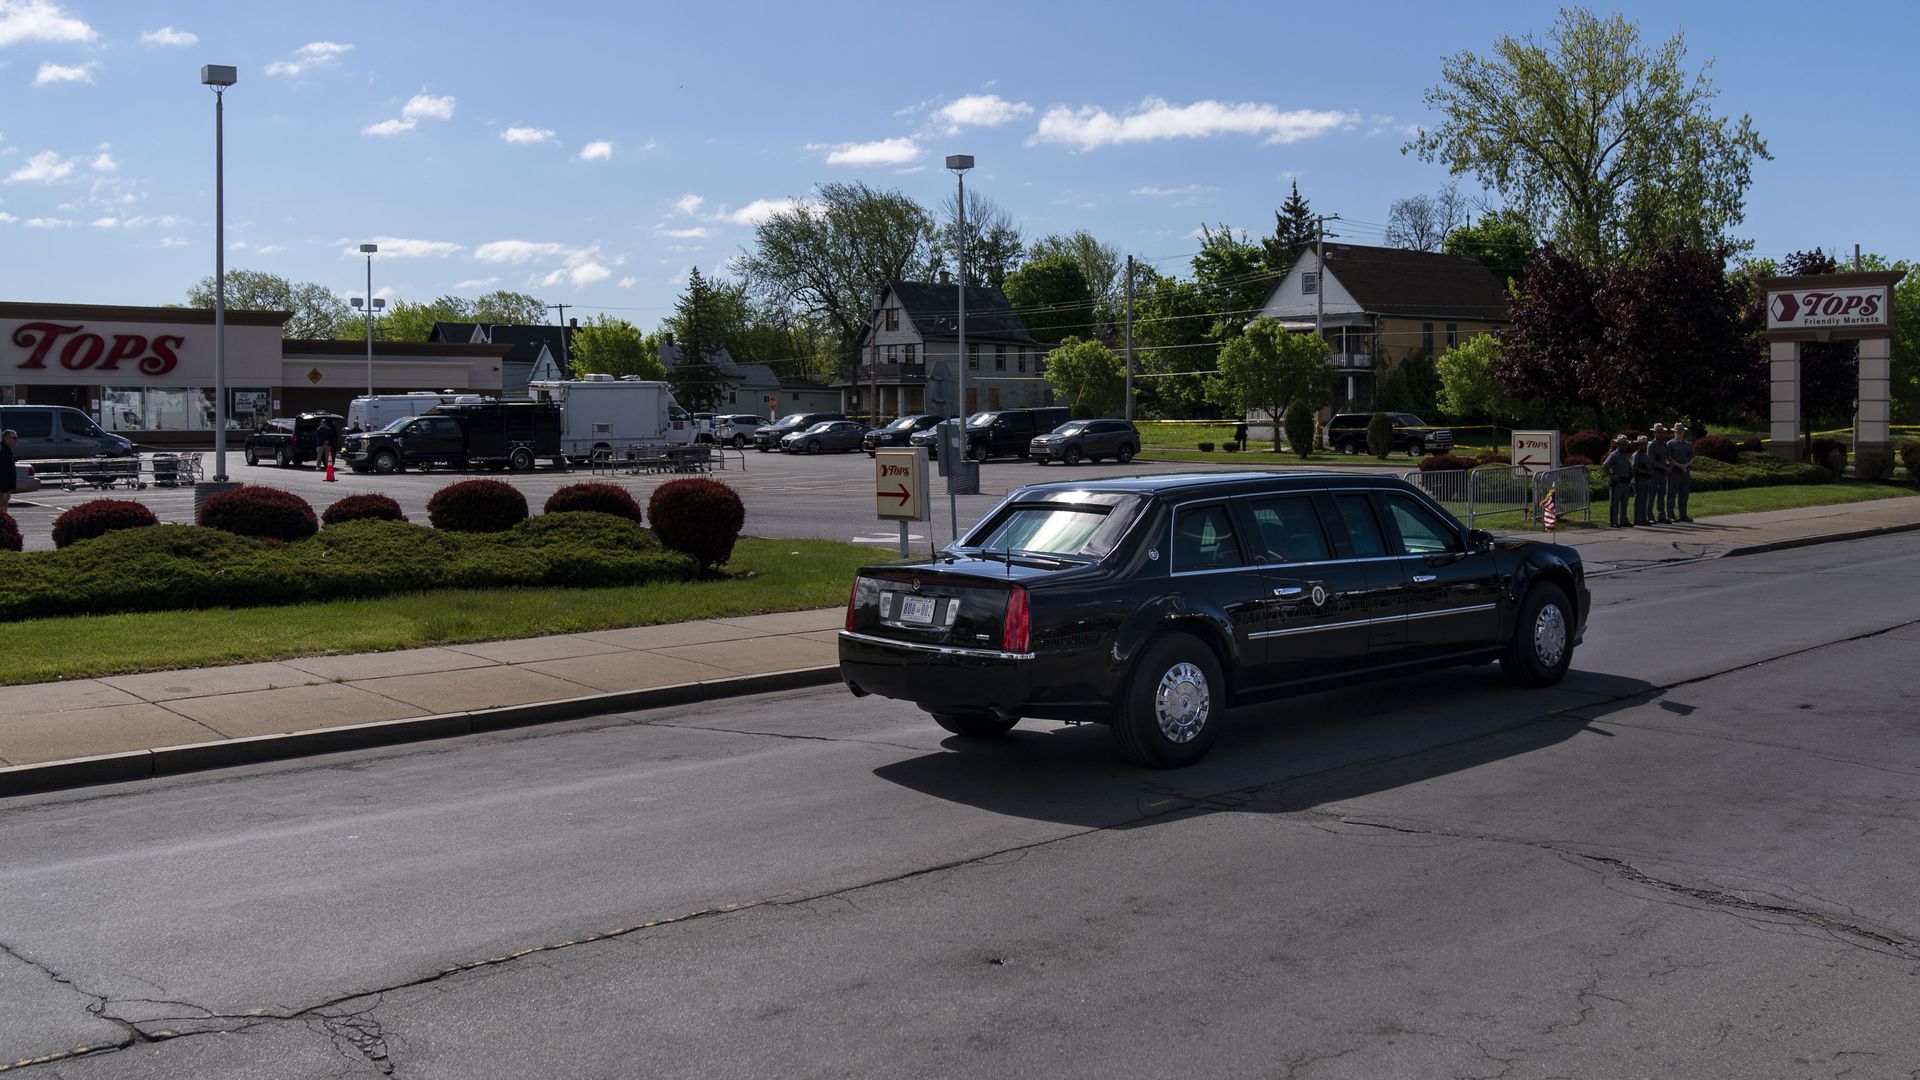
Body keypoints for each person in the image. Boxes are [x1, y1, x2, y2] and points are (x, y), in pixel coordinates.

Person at [1601, 434, 1634, 527]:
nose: (1625, 446)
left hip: (1625, 481)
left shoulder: (1625, 455)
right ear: (1618, 445)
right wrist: (1612, 476)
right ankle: (1614, 521)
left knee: (1624, 503)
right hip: (1617, 483)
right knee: (1614, 503)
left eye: (1626, 444)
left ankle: (1624, 520)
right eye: (1622, 444)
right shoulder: (1614, 455)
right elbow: (1604, 466)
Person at [1667, 420, 1695, 522]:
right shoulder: (1670, 444)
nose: (1679, 433)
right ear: (1674, 432)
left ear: (1684, 432)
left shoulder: (1688, 444)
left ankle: (1683, 515)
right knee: (1672, 494)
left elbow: (1692, 457)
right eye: (1677, 431)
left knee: (1684, 495)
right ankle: (1670, 515)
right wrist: (1679, 465)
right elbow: (1669, 458)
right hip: (1675, 472)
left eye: (1681, 431)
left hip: (1685, 472)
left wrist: (1686, 465)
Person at [1646, 423, 1673, 524]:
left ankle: (1662, 516)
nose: (1660, 434)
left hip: (1663, 473)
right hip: (1654, 472)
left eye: (1661, 432)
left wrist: (1669, 467)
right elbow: (1651, 460)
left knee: (1662, 495)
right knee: (1652, 494)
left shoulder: (1665, 445)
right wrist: (1665, 468)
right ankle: (1649, 516)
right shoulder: (1651, 445)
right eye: (1658, 432)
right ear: (1654, 433)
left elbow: (1669, 458)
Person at [1630, 435, 1654, 526]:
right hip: (1638, 480)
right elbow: (1634, 468)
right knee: (1639, 500)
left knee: (1644, 500)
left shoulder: (1645, 455)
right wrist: (1644, 472)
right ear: (1638, 445)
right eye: (1642, 445)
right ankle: (1638, 519)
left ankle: (1643, 518)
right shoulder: (1636, 455)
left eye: (1645, 444)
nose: (1644, 446)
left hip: (1645, 480)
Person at [0, 428, 18, 512]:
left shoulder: (7, 451)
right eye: (14, 438)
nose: (16, 440)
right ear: (6, 438)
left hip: (6, 488)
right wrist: (5, 490)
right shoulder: (2, 452)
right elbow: (3, 473)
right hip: (2, 489)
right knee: (2, 510)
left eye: (16, 438)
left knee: (4, 510)